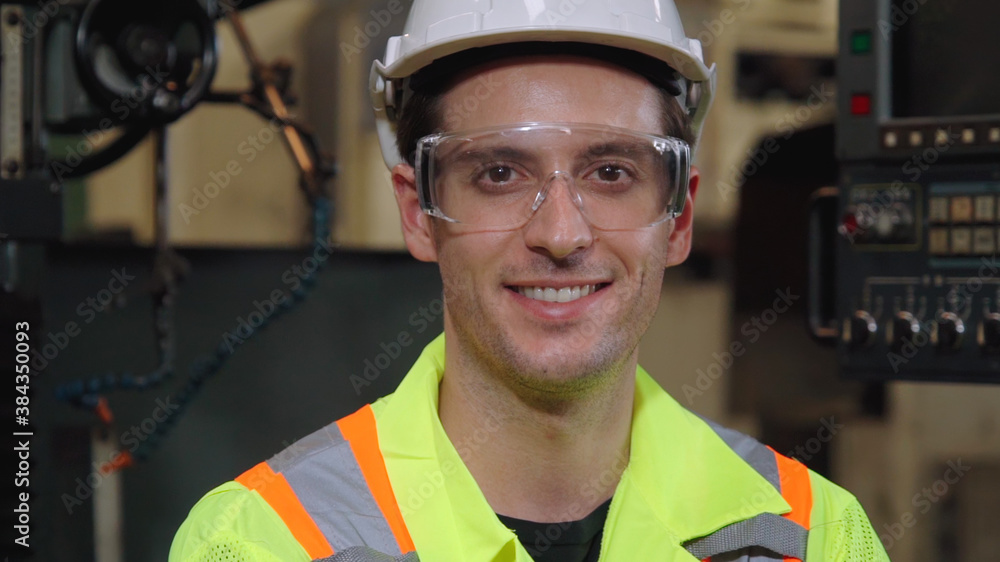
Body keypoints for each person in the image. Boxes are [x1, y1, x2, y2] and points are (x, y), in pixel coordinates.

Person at [170, 1, 889, 561]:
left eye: (612, 173)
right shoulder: (268, 540)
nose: (561, 234)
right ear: (418, 214)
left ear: (678, 218)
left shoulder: (810, 534)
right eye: (499, 174)